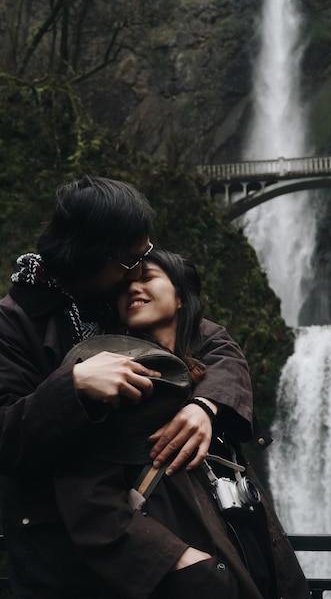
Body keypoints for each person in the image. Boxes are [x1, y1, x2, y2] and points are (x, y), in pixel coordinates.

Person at [0, 175, 258, 599]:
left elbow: (213, 342)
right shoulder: (13, 324)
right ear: (91, 258)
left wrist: (207, 404)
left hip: (157, 534)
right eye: (131, 260)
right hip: (65, 559)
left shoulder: (119, 298)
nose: (140, 269)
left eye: (147, 256)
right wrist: (74, 386)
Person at [53, 249, 311, 599]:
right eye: (124, 286)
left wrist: (205, 406)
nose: (132, 288)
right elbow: (84, 492)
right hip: (194, 577)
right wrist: (175, 560)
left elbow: (223, 348)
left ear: (180, 298)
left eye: (147, 277)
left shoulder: (208, 365)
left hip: (253, 554)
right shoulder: (111, 377)